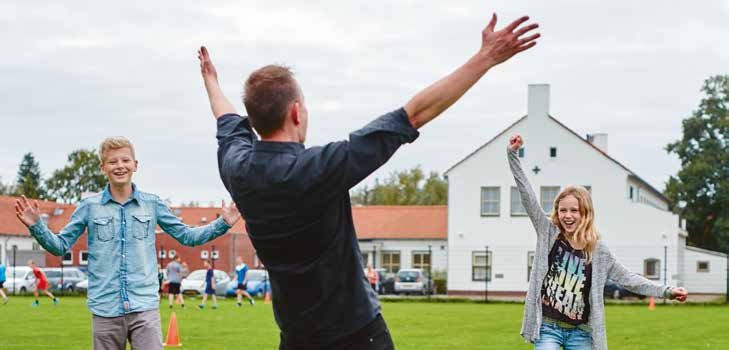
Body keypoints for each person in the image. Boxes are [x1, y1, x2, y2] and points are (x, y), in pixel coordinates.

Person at [199, 12, 539, 350]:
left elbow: (225, 117)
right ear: (296, 112)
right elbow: (415, 113)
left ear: (255, 119)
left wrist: (211, 81)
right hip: (357, 335)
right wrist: (486, 58)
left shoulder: (237, 168)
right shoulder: (320, 169)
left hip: (296, 338)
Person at [14, 136, 241, 350]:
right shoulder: (88, 207)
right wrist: (37, 225)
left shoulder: (152, 204)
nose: (119, 165)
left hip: (144, 309)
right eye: (112, 161)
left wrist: (223, 223)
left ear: (135, 164)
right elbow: (60, 246)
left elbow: (187, 236)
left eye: (125, 160)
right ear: (103, 168)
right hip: (105, 310)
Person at [506, 134, 689, 350]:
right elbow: (527, 195)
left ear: (585, 213)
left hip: (580, 333)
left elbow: (630, 279)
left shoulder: (598, 251)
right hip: (548, 328)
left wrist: (667, 291)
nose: (567, 215)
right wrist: (512, 155)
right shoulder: (548, 232)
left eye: (574, 210)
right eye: (562, 210)